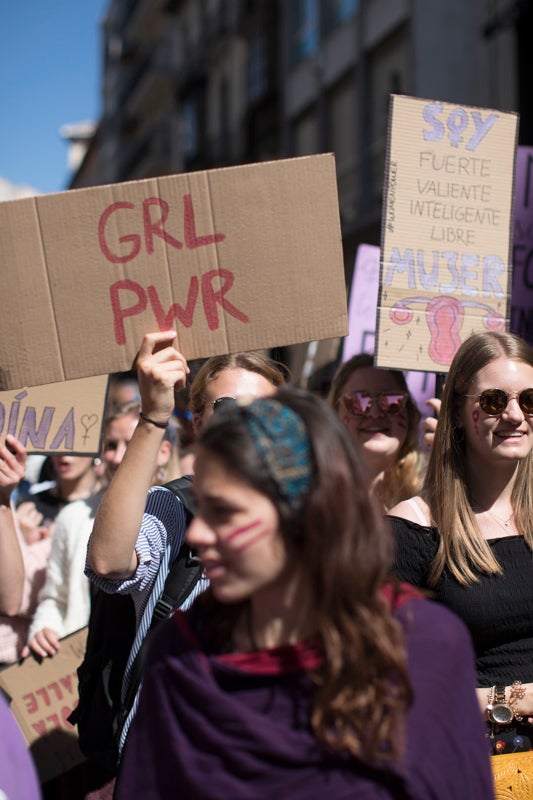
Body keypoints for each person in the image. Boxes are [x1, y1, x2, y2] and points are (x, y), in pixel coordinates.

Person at [114, 387, 493, 799]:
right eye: (201, 508)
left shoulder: (424, 648)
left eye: (225, 512)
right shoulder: (182, 655)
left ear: (306, 514)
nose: (200, 533)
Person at [86, 330, 287, 759]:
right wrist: (153, 418)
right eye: (228, 408)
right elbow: (108, 562)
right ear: (199, 423)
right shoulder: (174, 508)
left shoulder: (308, 521)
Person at [388, 330, 533, 758]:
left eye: (529, 400)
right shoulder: (412, 529)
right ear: (455, 410)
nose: (515, 415)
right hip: (481, 761)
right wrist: (508, 701)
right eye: (493, 401)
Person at [24, 400, 177, 659]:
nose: (117, 458)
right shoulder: (74, 517)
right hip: (90, 668)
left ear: (163, 451)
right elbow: (55, 598)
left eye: (130, 444)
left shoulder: (184, 516)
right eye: (110, 446)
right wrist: (44, 629)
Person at [329, 353, 425, 510]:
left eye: (391, 400)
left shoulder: (431, 496)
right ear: (335, 413)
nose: (375, 413)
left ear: (408, 412)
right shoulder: (312, 497)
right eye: (357, 402)